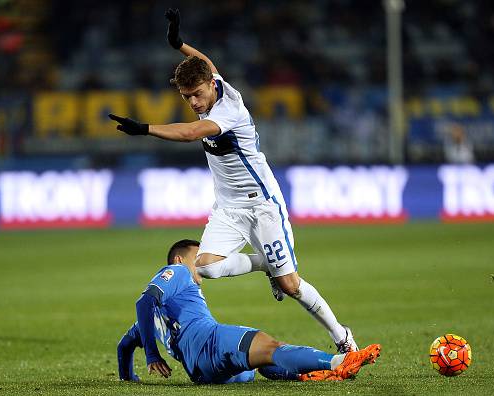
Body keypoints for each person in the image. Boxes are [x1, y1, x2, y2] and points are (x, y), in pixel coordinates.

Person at [109, 8, 357, 353]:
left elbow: (191, 133)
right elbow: (205, 61)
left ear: (212, 86)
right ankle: (263, 265)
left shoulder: (230, 110)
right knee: (207, 268)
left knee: (290, 284)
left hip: (261, 204)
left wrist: (145, 128)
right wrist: (179, 44)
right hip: (228, 207)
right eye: (186, 97)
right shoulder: (213, 81)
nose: (193, 102)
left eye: (197, 94)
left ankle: (342, 337)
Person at [117, 239, 381, 384]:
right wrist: (152, 355)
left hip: (202, 373)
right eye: (196, 258)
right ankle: (339, 361)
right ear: (179, 259)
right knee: (270, 347)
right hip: (210, 342)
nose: (200, 264)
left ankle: (303, 373)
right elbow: (144, 301)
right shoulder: (176, 272)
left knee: (258, 364)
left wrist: (128, 377)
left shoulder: (149, 322)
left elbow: (125, 345)